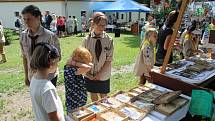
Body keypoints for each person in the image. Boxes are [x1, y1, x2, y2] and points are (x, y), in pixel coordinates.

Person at [20, 5, 61, 86]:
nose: (26, 22)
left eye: (29, 19)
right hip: (32, 77)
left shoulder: (50, 36)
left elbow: (57, 58)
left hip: (48, 78)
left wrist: (44, 75)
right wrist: (26, 76)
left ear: (38, 18)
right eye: (24, 19)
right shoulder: (23, 36)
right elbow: (25, 57)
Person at [82, 12, 114, 102]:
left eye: (104, 26)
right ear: (93, 24)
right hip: (90, 75)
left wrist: (99, 74)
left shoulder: (109, 40)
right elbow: (83, 59)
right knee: (93, 95)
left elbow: (109, 60)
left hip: (103, 75)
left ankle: (104, 113)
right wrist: (88, 74)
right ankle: (96, 112)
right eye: (100, 25)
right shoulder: (86, 40)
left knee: (104, 96)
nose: (102, 28)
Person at [29, 42, 65, 121]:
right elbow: (54, 118)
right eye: (57, 62)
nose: (57, 65)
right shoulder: (48, 89)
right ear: (51, 61)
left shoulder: (34, 79)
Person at [64, 47, 92, 117]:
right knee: (73, 118)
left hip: (76, 100)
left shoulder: (72, 67)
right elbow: (89, 67)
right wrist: (76, 63)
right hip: (74, 103)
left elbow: (90, 65)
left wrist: (75, 62)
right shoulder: (71, 69)